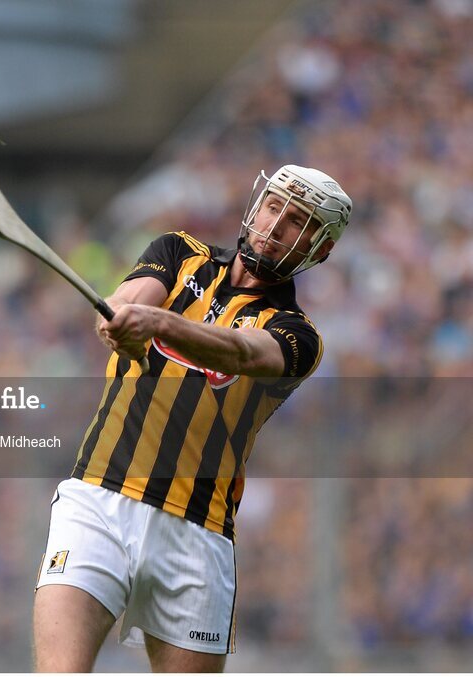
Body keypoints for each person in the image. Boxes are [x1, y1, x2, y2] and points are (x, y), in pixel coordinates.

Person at [33, 165, 352, 672]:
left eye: (298, 222)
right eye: (273, 207)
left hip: (197, 536)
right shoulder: (179, 253)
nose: (276, 226)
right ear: (256, 205)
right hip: (98, 500)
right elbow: (126, 303)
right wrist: (119, 321)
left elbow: (244, 355)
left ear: (321, 250)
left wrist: (157, 324)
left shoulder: (299, 335)